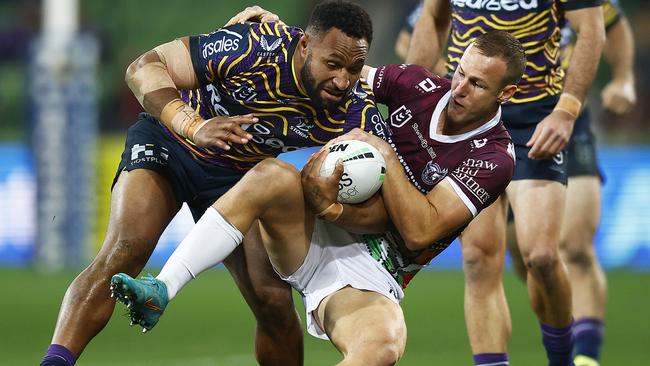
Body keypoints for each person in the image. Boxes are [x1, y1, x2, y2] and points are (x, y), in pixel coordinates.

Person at [110, 30, 525, 364]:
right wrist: (285, 35)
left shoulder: (493, 157)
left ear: (504, 95)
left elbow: (420, 232)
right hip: (312, 229)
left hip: (372, 272)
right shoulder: (421, 86)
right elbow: (340, 68)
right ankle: (162, 287)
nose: (459, 89)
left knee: (382, 347)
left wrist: (382, 154)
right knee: (270, 174)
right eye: (460, 73)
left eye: (477, 83)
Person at [40, 2, 382, 365]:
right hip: (169, 144)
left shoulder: (354, 110)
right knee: (125, 251)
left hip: (239, 176)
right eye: (332, 65)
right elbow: (143, 67)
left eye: (353, 68)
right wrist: (194, 125)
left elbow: (387, 188)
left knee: (274, 301)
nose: (342, 80)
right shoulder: (255, 47)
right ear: (304, 47)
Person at [406, 1, 606, 365]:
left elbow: (592, 29)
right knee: (477, 259)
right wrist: (417, 97)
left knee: (542, 257)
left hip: (535, 121)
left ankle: (560, 360)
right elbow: (432, 17)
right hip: (470, 119)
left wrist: (567, 109)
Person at [506, 1, 636, 365]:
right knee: (526, 257)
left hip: (566, 117)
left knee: (575, 246)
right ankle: (561, 328)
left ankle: (586, 357)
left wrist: (623, 78)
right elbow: (414, 36)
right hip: (500, 124)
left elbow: (611, 24)